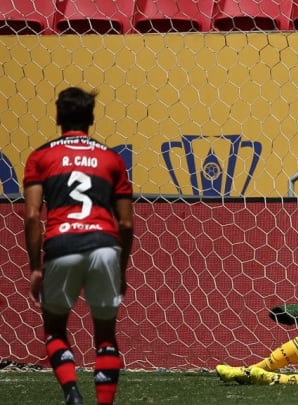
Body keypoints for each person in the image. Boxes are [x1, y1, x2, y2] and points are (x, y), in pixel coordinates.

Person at [23, 87, 134, 405]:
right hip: (104, 246)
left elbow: (31, 216)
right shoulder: (112, 159)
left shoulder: (41, 157)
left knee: (55, 328)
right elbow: (126, 223)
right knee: (105, 335)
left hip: (61, 245)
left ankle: (72, 392)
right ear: (92, 118)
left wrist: (35, 266)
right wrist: (121, 268)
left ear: (57, 117)